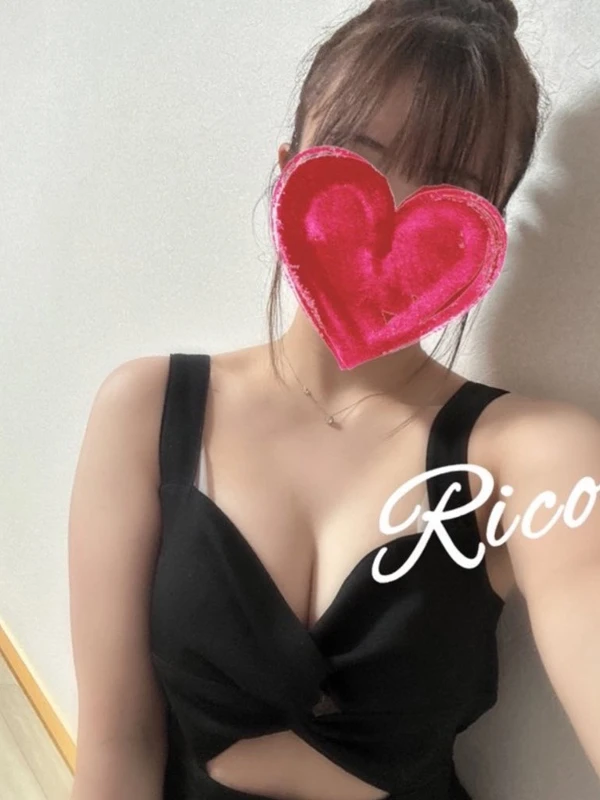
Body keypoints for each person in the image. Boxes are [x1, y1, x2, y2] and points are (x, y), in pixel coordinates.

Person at [68, 1, 600, 799]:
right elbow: (118, 745)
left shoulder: (533, 456)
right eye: (357, 155)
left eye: (451, 186)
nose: (394, 210)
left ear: (487, 231)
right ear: (288, 168)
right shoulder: (146, 408)